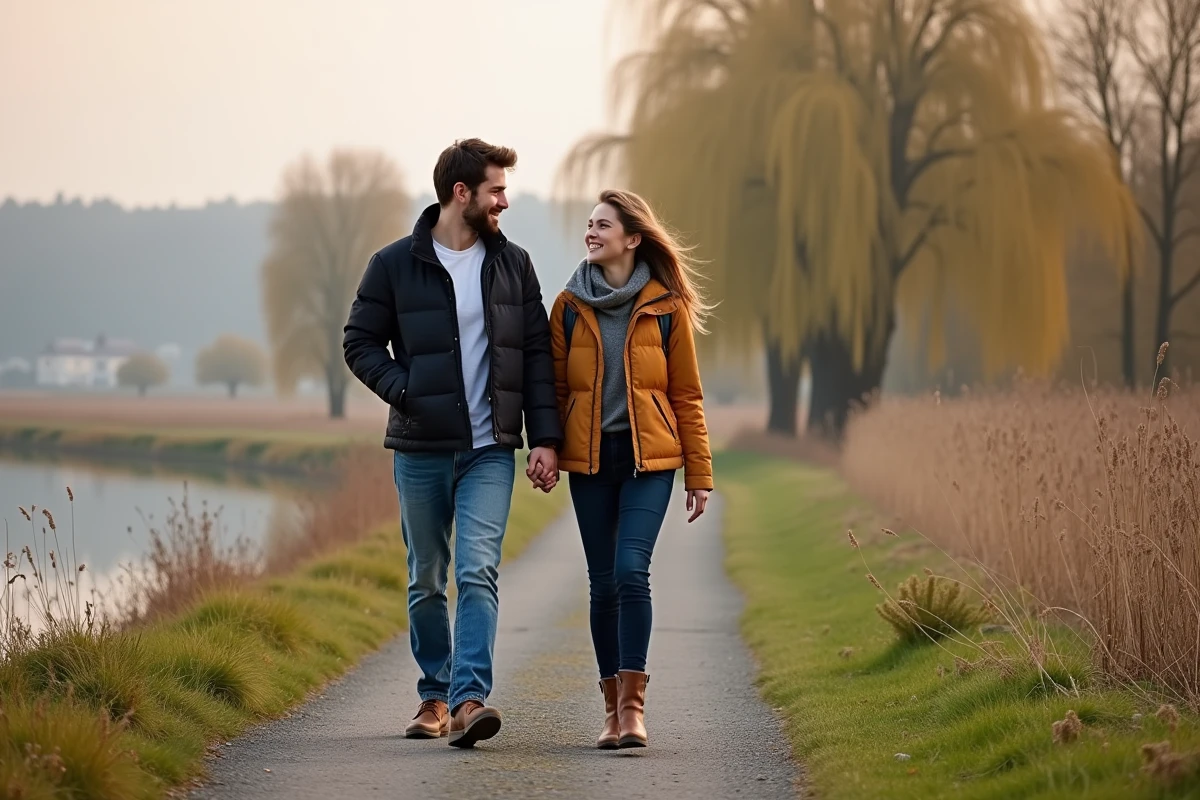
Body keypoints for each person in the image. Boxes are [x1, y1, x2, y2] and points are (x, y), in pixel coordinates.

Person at [343, 138, 561, 748]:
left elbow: (537, 356)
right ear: (460, 193)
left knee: (477, 570)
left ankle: (469, 700)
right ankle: (433, 696)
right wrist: (406, 389)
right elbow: (359, 343)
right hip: (420, 448)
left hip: (491, 449)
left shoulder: (514, 264)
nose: (504, 201)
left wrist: (544, 437)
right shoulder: (393, 264)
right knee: (426, 579)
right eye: (496, 190)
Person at [546, 189, 714, 750]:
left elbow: (686, 394)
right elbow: (553, 389)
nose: (591, 232)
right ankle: (612, 711)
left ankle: (634, 709)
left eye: (603, 225)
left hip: (650, 460)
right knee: (601, 584)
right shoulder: (569, 305)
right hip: (590, 460)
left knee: (628, 571)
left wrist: (699, 474)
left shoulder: (666, 308)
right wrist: (545, 445)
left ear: (632, 238)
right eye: (589, 224)